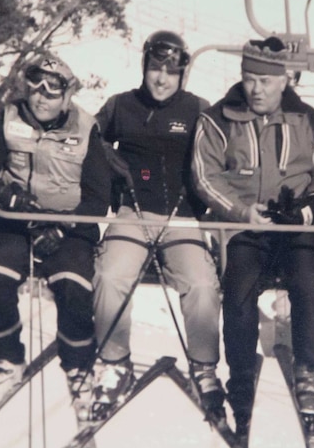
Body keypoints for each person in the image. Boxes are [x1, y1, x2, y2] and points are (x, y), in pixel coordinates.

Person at [192, 36, 314, 441]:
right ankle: (240, 375)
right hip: (249, 225)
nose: (256, 89)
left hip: (294, 226)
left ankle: (308, 369)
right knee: (238, 294)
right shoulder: (220, 118)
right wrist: (240, 212)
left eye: (265, 82)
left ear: (284, 81)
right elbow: (205, 175)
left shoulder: (310, 121)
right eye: (249, 79)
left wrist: (308, 209)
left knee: (309, 285)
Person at [90, 30, 224, 420]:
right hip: (134, 213)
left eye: (170, 71)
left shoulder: (199, 108)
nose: (161, 79)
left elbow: (221, 155)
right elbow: (88, 137)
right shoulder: (120, 106)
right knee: (111, 274)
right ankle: (115, 363)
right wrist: (108, 163)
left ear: (182, 73)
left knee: (201, 283)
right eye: (154, 69)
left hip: (182, 217)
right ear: (144, 67)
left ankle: (204, 367)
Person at [0, 53, 110, 411]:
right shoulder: (10, 118)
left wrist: (63, 229)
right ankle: (6, 357)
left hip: (70, 226)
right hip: (16, 222)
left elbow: (99, 197)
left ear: (67, 94)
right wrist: (3, 190)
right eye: (35, 84)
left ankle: (78, 366)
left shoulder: (85, 127)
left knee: (73, 282)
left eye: (53, 88)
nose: (42, 96)